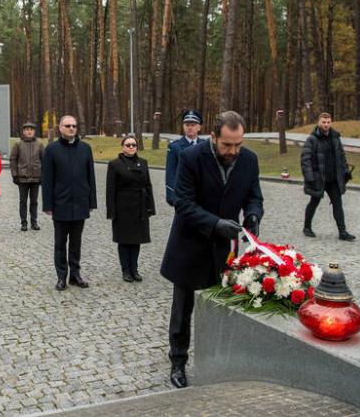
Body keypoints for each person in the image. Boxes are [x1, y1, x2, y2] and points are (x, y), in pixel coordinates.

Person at [160, 111, 263, 388]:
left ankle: (220, 358)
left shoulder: (249, 160)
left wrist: (253, 216)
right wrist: (214, 223)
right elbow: (182, 202)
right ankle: (178, 362)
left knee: (224, 304)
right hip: (189, 243)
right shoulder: (191, 158)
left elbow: (254, 196)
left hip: (224, 250)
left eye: (238, 144)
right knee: (182, 309)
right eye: (227, 145)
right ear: (213, 136)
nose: (233, 151)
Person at [41, 115, 97, 291]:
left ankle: (75, 274)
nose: (71, 128)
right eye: (67, 126)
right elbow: (47, 179)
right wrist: (48, 205)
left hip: (80, 203)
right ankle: (61, 276)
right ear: (60, 128)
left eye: (74, 126)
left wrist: (91, 201)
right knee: (60, 243)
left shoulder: (85, 149)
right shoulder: (51, 150)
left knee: (76, 242)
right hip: (61, 204)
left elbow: (91, 177)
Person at [106, 135, 156, 282]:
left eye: (133, 145)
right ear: (122, 147)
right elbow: (110, 189)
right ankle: (126, 270)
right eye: (128, 145)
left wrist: (150, 207)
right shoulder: (114, 164)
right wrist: (111, 210)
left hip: (139, 207)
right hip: (122, 207)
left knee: (136, 240)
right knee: (124, 240)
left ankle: (134, 269)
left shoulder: (143, 163)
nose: (131, 147)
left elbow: (148, 185)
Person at [301, 112, 356, 241]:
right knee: (314, 202)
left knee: (338, 204)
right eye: (323, 122)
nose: (326, 125)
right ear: (319, 123)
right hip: (318, 178)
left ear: (331, 122)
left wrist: (345, 171)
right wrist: (310, 178)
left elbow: (341, 156)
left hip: (333, 179)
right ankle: (307, 227)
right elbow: (305, 159)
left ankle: (342, 231)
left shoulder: (335, 137)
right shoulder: (312, 139)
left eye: (328, 122)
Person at [10, 121, 45, 232]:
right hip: (23, 178)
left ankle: (34, 222)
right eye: (27, 130)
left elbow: (45, 160)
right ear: (24, 131)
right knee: (23, 201)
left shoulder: (39, 145)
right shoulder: (18, 144)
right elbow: (13, 159)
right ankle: (24, 222)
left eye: (31, 130)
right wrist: (15, 174)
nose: (29, 132)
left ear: (34, 131)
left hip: (36, 177)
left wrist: (43, 175)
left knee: (34, 201)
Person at [165, 109, 203, 206]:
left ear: (199, 127)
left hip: (202, 195)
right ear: (183, 126)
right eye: (187, 125)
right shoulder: (174, 147)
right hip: (182, 195)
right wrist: (172, 196)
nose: (190, 127)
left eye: (193, 125)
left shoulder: (205, 146)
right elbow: (170, 172)